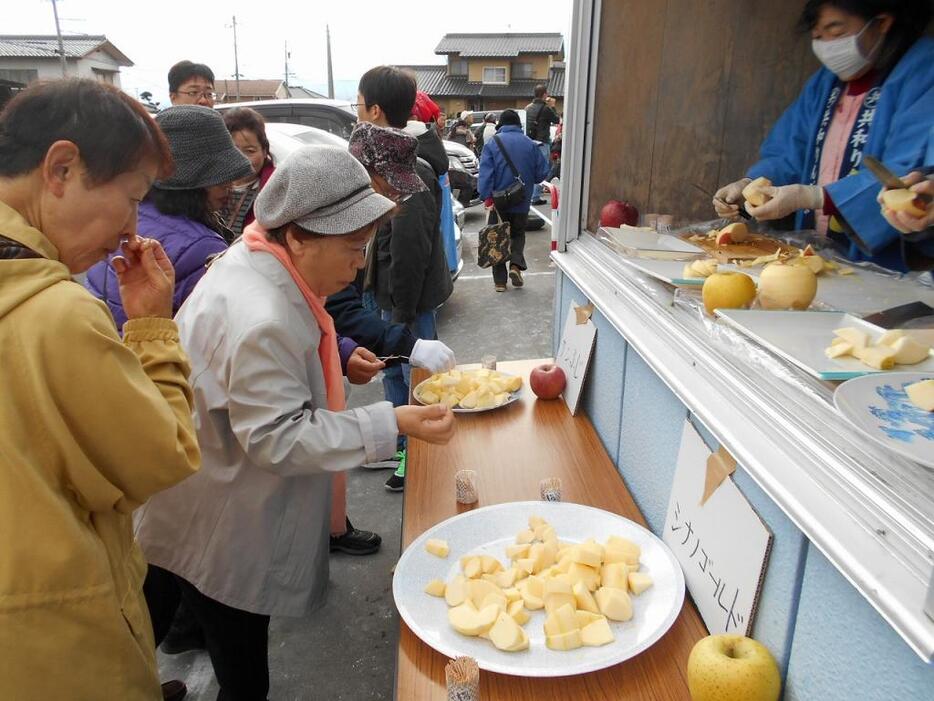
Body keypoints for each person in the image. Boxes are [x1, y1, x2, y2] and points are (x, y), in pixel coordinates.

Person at [135, 145, 455, 701]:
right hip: (220, 515)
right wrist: (393, 420)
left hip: (182, 494)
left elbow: (268, 370)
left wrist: (336, 355)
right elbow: (279, 437)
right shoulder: (265, 314)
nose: (360, 263)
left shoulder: (253, 257)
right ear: (300, 235)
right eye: (354, 248)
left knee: (145, 626)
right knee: (239, 662)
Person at [0, 79, 200, 701]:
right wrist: (152, 328)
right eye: (132, 197)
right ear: (61, 168)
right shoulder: (55, 311)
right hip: (57, 638)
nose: (130, 227)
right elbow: (162, 455)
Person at [713, 0, 934, 272]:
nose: (828, 45)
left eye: (836, 32)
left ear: (882, 22)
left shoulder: (923, 71)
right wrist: (750, 185)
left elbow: (907, 170)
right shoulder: (825, 83)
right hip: (813, 253)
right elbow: (789, 151)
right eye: (818, 37)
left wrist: (816, 197)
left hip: (883, 266)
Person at [356, 66, 455, 492]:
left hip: (405, 297)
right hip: (389, 291)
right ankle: (404, 444)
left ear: (375, 111)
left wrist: (398, 314)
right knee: (397, 373)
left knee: (415, 378)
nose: (355, 113)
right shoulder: (383, 162)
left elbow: (410, 251)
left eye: (358, 105)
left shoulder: (407, 170)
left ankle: (415, 453)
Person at [85, 106, 253, 328]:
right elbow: (210, 337)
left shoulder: (130, 216)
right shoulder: (202, 247)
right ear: (190, 183)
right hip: (157, 356)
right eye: (219, 178)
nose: (228, 187)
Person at [478, 109, 551, 292]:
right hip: (521, 199)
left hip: (498, 201)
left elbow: (486, 174)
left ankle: (500, 283)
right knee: (518, 233)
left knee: (498, 237)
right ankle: (516, 266)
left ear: (501, 124)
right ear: (519, 125)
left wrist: (486, 196)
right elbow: (542, 173)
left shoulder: (492, 143)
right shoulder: (530, 144)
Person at [222, 107, 276, 237]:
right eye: (233, 151)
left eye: (250, 151)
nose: (242, 160)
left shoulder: (275, 189)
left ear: (264, 151)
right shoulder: (208, 189)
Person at [525, 85, 561, 204]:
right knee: (542, 169)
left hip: (529, 142)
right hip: (542, 142)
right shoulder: (546, 108)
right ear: (544, 94)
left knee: (531, 169)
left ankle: (530, 194)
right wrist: (552, 106)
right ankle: (535, 196)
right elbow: (556, 120)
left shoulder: (528, 108)